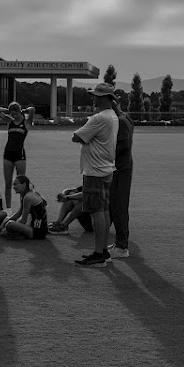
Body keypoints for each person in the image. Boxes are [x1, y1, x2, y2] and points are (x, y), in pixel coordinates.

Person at [71, 81, 119, 267]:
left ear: (105, 98)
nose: (93, 98)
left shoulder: (99, 118)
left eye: (96, 96)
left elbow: (77, 136)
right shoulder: (112, 115)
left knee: (97, 212)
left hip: (95, 171)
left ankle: (99, 253)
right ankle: (103, 251)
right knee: (104, 211)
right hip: (106, 169)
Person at [0, 101, 33, 209]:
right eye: (12, 114)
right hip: (8, 154)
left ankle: (22, 209)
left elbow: (32, 110)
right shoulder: (10, 121)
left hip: (20, 155)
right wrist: (8, 111)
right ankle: (9, 210)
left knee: (22, 184)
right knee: (8, 183)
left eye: (15, 114)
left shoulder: (26, 123)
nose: (13, 116)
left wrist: (24, 110)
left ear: (19, 112)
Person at [110, 92, 135, 259]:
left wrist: (107, 153)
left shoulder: (120, 121)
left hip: (120, 168)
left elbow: (124, 145)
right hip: (121, 167)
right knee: (116, 206)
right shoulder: (125, 117)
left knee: (119, 207)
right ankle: (119, 243)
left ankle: (122, 246)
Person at [0, 175, 49, 240]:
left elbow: (23, 220)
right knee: (8, 219)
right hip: (36, 229)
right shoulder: (26, 195)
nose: (13, 187)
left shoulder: (28, 197)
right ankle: (15, 234)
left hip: (37, 231)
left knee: (10, 224)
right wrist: (4, 223)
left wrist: (6, 226)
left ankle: (17, 235)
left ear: (24, 185)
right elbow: (18, 214)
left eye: (15, 184)